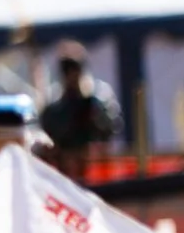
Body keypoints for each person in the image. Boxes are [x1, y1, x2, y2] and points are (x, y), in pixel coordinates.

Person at [39, 43, 122, 181]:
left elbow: (110, 129)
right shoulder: (55, 107)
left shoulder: (98, 99)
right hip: (66, 174)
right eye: (68, 71)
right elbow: (49, 135)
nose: (73, 76)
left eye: (76, 70)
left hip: (96, 170)